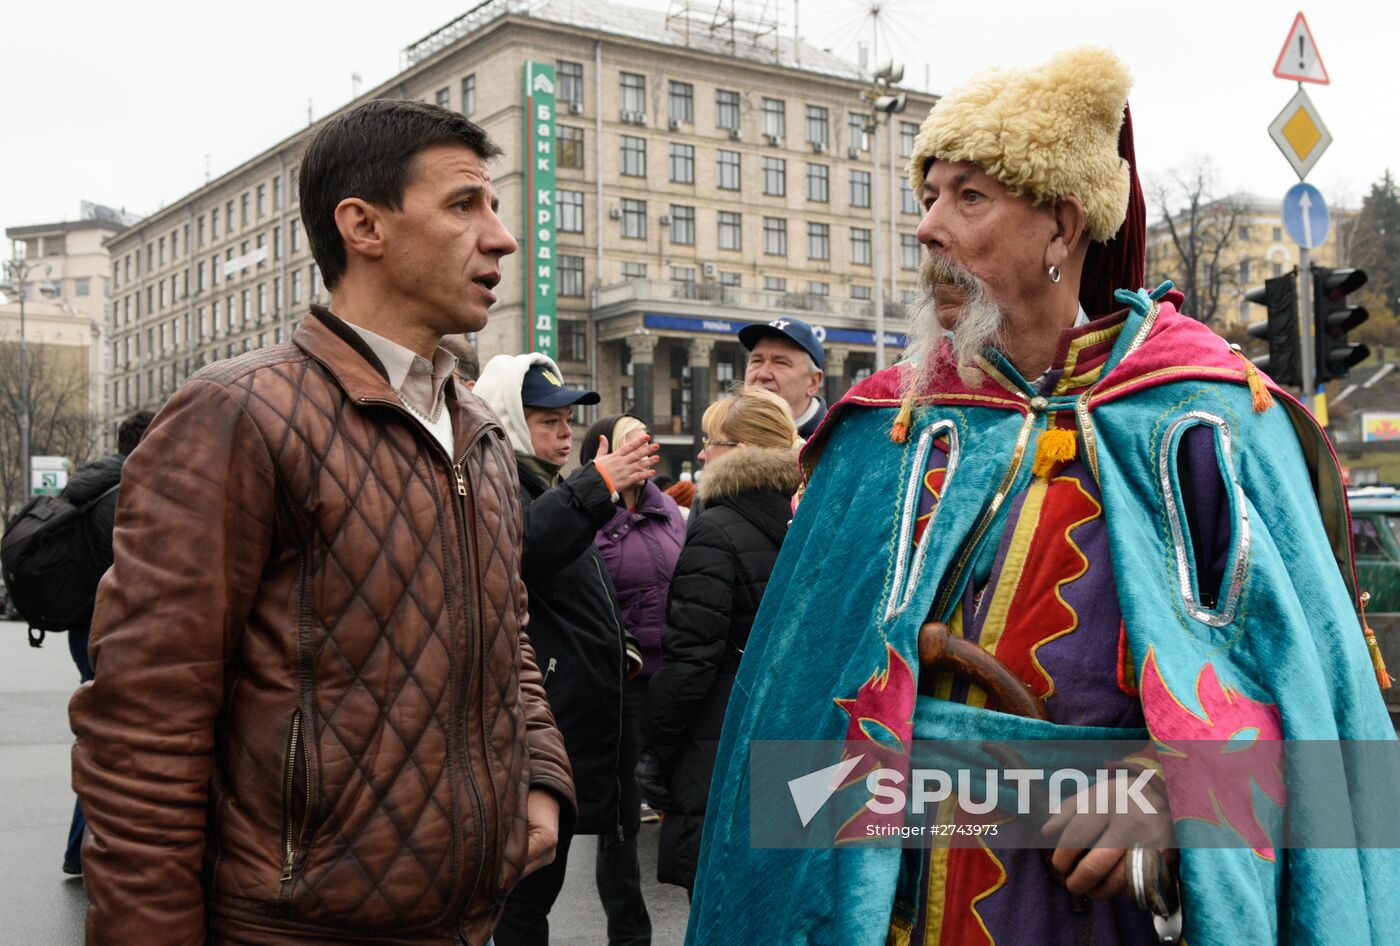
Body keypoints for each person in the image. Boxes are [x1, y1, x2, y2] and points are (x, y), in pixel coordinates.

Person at [686, 48, 1399, 945]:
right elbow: (792, 729)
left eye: (969, 198)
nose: (928, 229)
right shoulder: (886, 433)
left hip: (1093, 915)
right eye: (929, 196)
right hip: (889, 908)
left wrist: (1186, 796)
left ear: (1062, 229)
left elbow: (1329, 734)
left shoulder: (1205, 426)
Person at [69, 99, 575, 946]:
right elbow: (143, 728)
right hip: (293, 929)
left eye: (493, 207)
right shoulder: (238, 413)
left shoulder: (479, 433)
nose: (502, 237)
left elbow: (508, 638)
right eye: (464, 205)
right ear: (363, 225)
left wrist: (542, 779)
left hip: (462, 922)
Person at [474, 354, 659, 946]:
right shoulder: (497, 480)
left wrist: (619, 645)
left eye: (567, 420)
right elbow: (522, 551)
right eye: (547, 419)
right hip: (530, 731)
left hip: (566, 726)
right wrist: (596, 484)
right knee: (522, 903)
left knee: (532, 898)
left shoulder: (545, 484)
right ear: (508, 417)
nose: (565, 432)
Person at [637, 386, 801, 896]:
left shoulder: (715, 529)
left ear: (744, 450)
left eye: (713, 441)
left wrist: (655, 750)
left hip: (720, 748)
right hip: (794, 740)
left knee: (719, 904)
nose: (703, 453)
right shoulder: (809, 521)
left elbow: (690, 661)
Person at [579, 414, 686, 934]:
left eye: (647, 436)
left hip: (672, 680)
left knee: (679, 797)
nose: (644, 444)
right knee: (619, 816)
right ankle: (630, 933)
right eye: (631, 437)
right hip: (622, 683)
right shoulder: (586, 513)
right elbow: (590, 578)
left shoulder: (670, 512)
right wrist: (619, 514)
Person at [56, 408, 154, 876]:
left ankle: (83, 847)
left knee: (101, 733)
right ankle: (84, 849)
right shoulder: (126, 493)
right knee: (110, 740)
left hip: (82, 626)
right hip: (113, 629)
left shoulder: (90, 485)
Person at [738, 316, 826, 439]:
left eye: (780, 363)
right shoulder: (726, 436)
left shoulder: (838, 446)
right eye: (757, 360)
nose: (763, 374)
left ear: (813, 383)